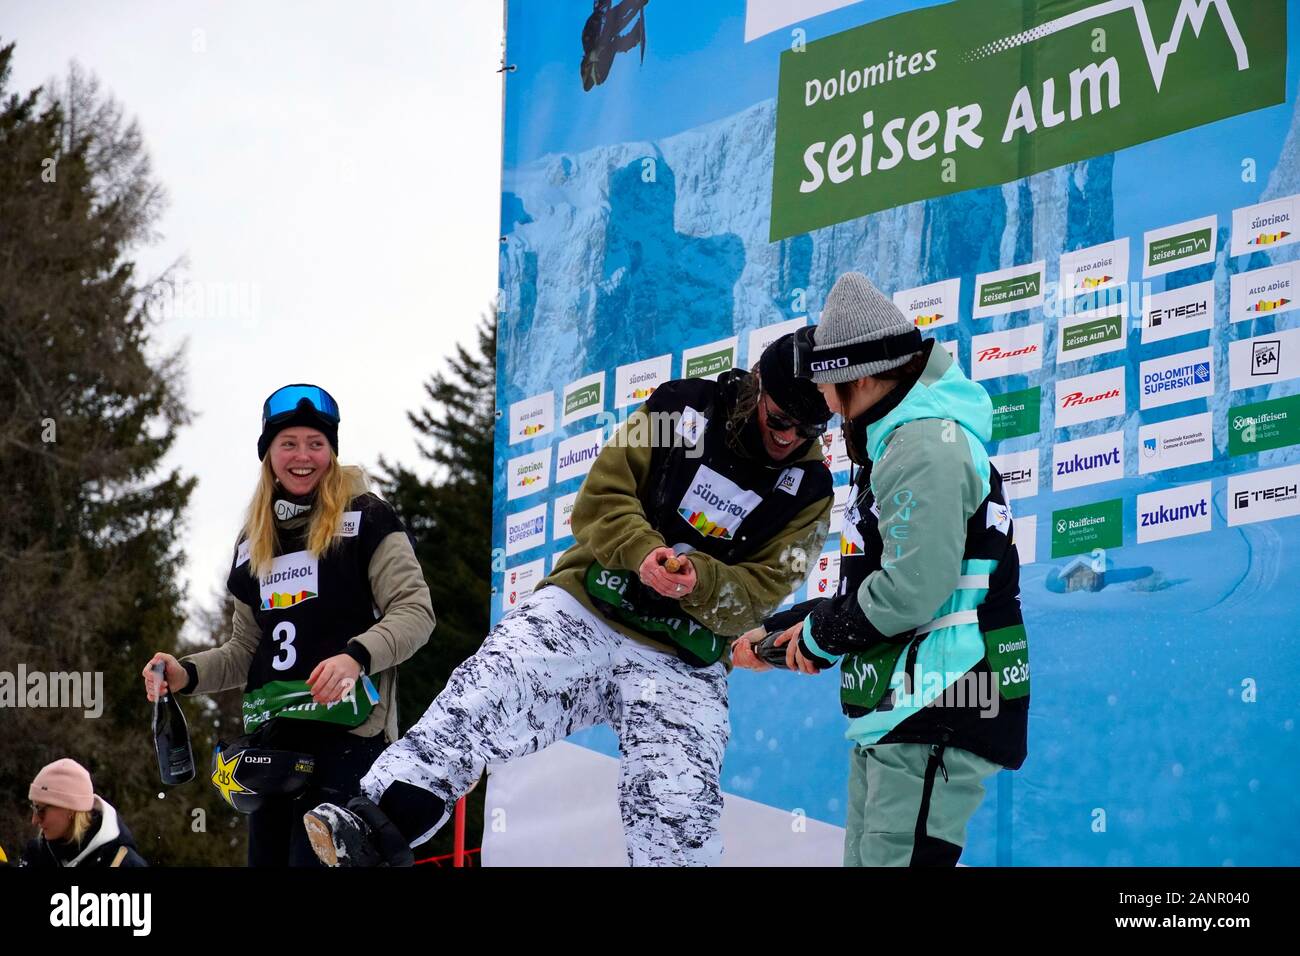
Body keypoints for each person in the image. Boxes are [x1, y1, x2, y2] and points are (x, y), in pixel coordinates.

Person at [302, 335, 835, 867]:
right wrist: (643, 552)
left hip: (684, 659)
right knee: (488, 688)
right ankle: (371, 828)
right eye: (780, 419)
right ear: (758, 387)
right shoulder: (682, 408)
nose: (789, 438)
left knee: (679, 808)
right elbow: (601, 497)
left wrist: (700, 580)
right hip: (590, 607)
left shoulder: (810, 488)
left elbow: (764, 590)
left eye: (807, 430)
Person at [733, 273, 1030, 867]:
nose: (823, 402)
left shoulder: (925, 447)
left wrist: (820, 638)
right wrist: (789, 627)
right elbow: (876, 584)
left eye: (828, 387)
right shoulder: (898, 443)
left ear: (862, 376)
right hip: (902, 709)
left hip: (941, 705)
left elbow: (913, 590)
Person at [141, 384, 434, 867]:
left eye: (316, 444)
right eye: (289, 444)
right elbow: (244, 651)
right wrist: (184, 672)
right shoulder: (255, 540)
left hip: (350, 738)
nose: (303, 457)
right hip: (274, 750)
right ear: (269, 455)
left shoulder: (368, 518)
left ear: (332, 452)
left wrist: (356, 656)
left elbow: (416, 612)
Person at [19, 758, 147, 868]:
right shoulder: (37, 853)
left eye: (41, 810)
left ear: (70, 809)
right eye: (33, 808)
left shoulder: (125, 863)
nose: (34, 820)